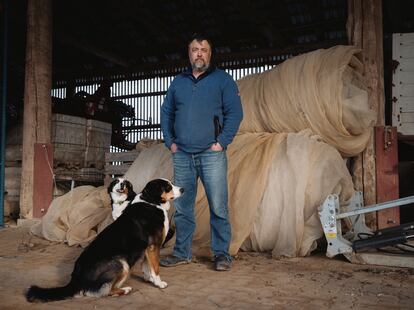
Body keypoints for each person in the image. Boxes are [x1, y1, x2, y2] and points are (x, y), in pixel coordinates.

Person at [160, 33, 243, 271]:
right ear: (189, 53)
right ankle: (182, 252)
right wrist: (170, 143)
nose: (199, 53)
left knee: (218, 205)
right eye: (195, 49)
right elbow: (167, 113)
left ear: (210, 53)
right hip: (182, 154)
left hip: (211, 154)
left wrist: (222, 142)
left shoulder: (223, 80)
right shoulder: (178, 82)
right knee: (183, 207)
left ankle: (221, 254)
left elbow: (235, 113)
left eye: (203, 50)